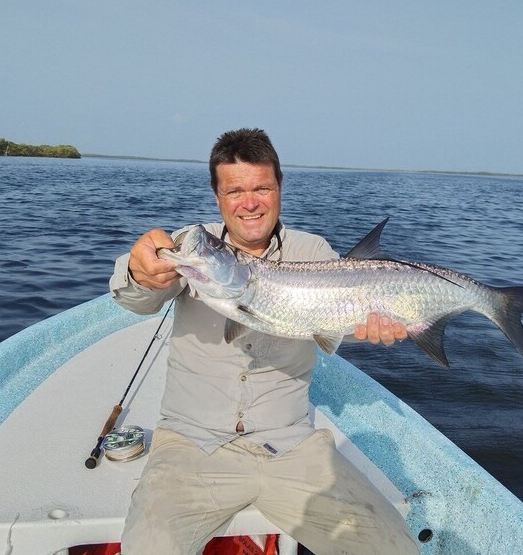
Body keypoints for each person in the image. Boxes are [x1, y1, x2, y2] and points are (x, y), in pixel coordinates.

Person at [110, 128, 420, 554]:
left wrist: (375, 326)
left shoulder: (314, 252)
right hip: (190, 444)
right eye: (234, 190)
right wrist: (138, 270)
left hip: (292, 445)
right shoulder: (194, 247)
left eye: (261, 187)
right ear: (217, 196)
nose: (249, 202)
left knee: (395, 549)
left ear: (279, 188)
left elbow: (342, 316)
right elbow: (139, 298)